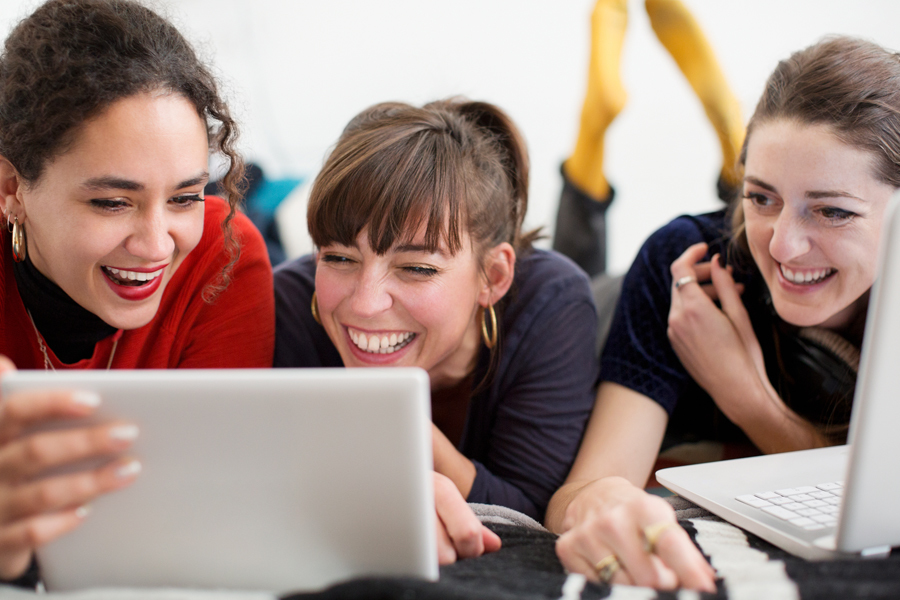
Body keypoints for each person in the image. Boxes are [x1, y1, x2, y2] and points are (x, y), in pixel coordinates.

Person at [546, 35, 900, 591]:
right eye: (760, 197)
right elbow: (584, 488)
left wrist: (745, 396)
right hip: (600, 309)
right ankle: (599, 150)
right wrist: (601, 501)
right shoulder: (682, 261)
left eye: (831, 211)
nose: (783, 246)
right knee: (569, 278)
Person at [0, 0, 274, 584]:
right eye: (111, 202)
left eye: (185, 197)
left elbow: (208, 503)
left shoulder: (224, 256)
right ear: (10, 189)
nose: (156, 246)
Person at [273, 99, 599, 558]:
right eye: (339, 258)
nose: (365, 305)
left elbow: (530, 514)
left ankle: (589, 161)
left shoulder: (552, 303)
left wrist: (391, 418)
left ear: (495, 276)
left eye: (417, 269)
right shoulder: (289, 303)